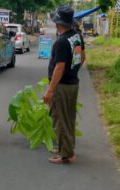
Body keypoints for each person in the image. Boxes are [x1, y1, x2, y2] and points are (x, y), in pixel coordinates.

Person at [43, 5, 86, 164]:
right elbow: (82, 57)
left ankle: (66, 155)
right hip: (73, 83)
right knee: (69, 118)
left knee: (60, 120)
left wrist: (50, 90)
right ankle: (66, 147)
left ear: (58, 23)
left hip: (62, 86)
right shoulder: (76, 36)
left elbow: (59, 67)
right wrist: (73, 71)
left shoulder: (61, 42)